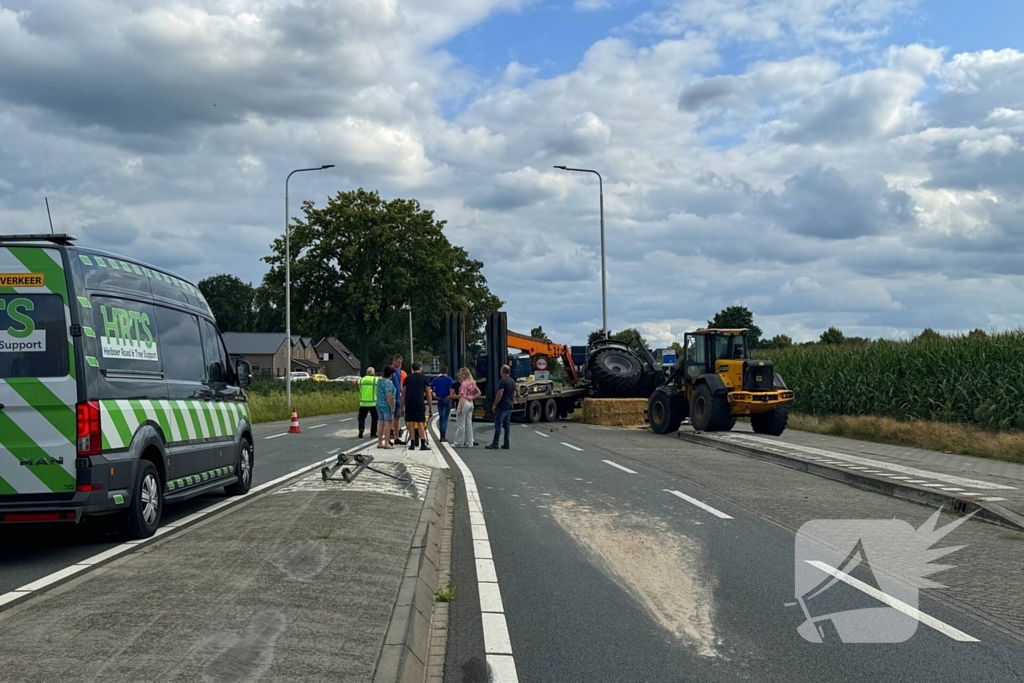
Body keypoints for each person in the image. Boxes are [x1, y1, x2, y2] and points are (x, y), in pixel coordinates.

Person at [403, 362, 433, 450]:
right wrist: (430, 407)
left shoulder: (407, 378)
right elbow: (428, 394)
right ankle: (422, 443)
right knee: (420, 423)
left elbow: (404, 393)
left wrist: (402, 407)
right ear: (420, 368)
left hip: (409, 403)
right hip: (419, 402)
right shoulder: (424, 378)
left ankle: (412, 444)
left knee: (411, 423)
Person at [486, 364, 515, 450]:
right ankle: (506, 443)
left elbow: (500, 394)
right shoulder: (512, 381)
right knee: (507, 425)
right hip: (509, 405)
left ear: (502, 371)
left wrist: (494, 404)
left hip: (503, 405)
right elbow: (514, 394)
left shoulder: (502, 381)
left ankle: (495, 443)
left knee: (498, 424)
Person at [453, 367, 480, 448]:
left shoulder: (464, 384)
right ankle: (469, 442)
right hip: (470, 402)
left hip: (464, 402)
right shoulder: (472, 382)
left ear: (465, 375)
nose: (460, 376)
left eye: (461, 374)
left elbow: (462, 396)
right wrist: (472, 397)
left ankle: (459, 442)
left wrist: (459, 408)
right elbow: (478, 392)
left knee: (461, 423)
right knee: (468, 424)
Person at [430, 367, 455, 441]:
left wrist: (433, 395)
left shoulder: (436, 379)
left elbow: (430, 387)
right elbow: (453, 388)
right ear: (447, 372)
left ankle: (441, 435)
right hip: (447, 399)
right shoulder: (449, 379)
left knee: (441, 417)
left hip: (439, 399)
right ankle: (443, 435)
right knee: (445, 418)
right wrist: (450, 395)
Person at [376, 365, 397, 449]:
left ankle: (379, 442)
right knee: (387, 424)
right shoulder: (388, 383)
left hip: (379, 404)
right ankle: (386, 443)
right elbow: (388, 395)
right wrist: (392, 407)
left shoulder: (379, 381)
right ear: (391, 374)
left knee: (380, 424)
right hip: (386, 405)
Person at [357, 367, 379, 439]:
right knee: (374, 419)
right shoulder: (376, 380)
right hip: (373, 403)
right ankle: (373, 433)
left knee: (361, 418)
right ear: (373, 372)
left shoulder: (361, 380)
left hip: (363, 403)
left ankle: (361, 429)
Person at [390, 355, 405, 445]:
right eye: (398, 362)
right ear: (394, 361)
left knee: (397, 417)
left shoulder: (399, 371)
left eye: (401, 362)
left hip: (398, 397)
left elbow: (400, 384)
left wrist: (402, 392)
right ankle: (388, 437)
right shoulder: (390, 371)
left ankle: (396, 437)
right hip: (391, 397)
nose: (400, 364)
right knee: (388, 419)